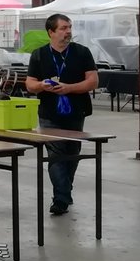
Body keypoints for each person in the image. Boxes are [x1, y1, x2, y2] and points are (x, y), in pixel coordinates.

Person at [25, 13, 99, 216]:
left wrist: (69, 88)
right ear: (51, 32)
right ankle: (61, 199)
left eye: (69, 27)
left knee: (72, 154)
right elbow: (30, 84)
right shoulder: (39, 55)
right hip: (49, 112)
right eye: (63, 28)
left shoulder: (82, 52)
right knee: (56, 154)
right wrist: (42, 85)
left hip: (76, 112)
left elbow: (93, 81)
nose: (68, 32)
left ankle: (64, 191)